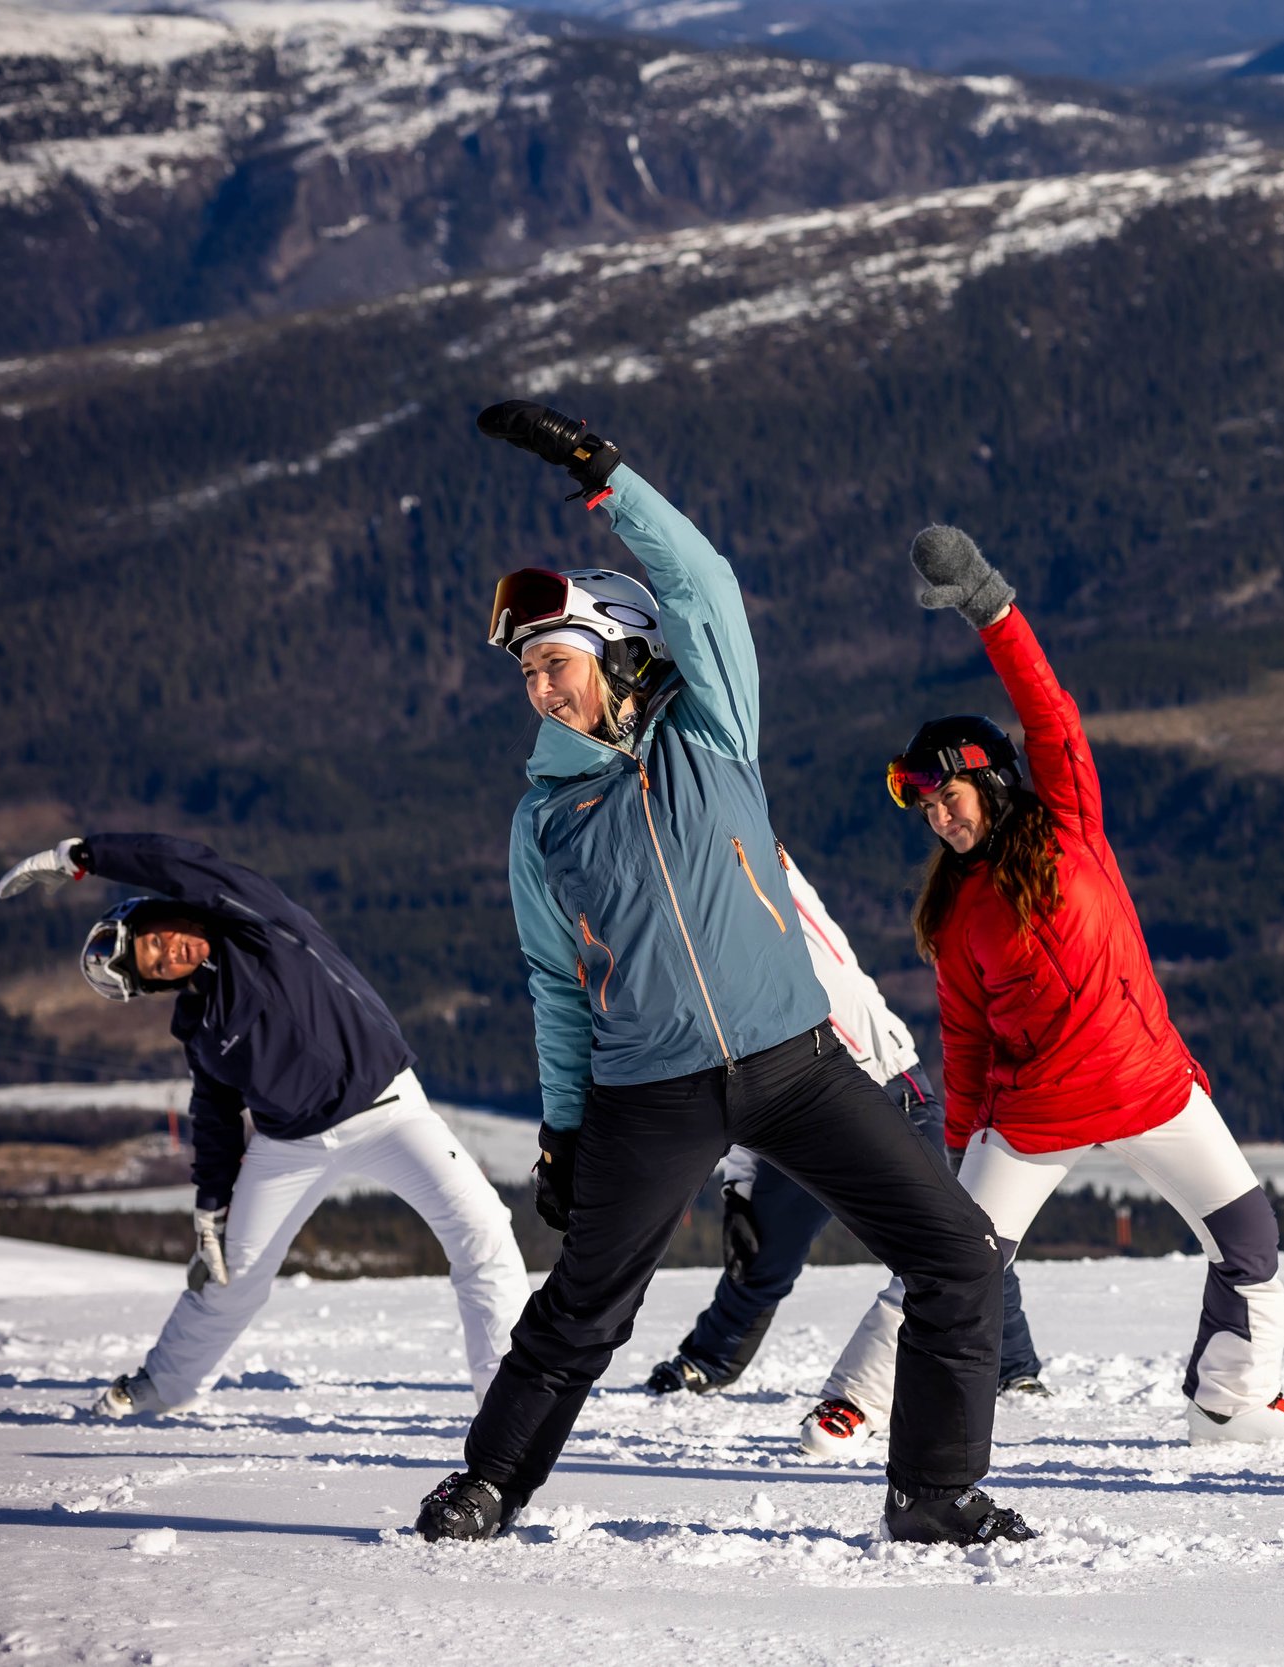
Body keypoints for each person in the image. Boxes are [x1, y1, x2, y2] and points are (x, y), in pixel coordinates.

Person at [415, 400, 1031, 1547]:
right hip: (651, 1093)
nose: (542, 689)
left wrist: (606, 478)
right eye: (528, 676)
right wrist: (560, 1128)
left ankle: (932, 1493)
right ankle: (487, 1483)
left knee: (957, 1256)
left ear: (616, 645)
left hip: (798, 1066)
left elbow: (704, 584)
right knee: (585, 1307)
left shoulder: (710, 732)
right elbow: (558, 984)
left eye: (557, 663)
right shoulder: (543, 819)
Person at [800, 524, 1284, 1458]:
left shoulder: (1069, 825)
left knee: (1248, 1237)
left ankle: (1228, 1401)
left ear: (990, 781)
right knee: (956, 1257)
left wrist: (988, 604)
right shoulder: (955, 912)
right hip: (1035, 1114)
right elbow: (964, 1038)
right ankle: (857, 1402)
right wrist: (961, 1151)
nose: (936, 815)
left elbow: (1050, 713)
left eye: (946, 795)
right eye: (922, 807)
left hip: (1152, 1085)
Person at [0, 834, 526, 1417]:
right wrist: (211, 1208)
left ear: (162, 913)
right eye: (155, 967)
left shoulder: (254, 923)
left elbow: (186, 865)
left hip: (387, 1112)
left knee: (482, 1232)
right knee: (226, 1275)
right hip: (290, 1146)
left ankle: (509, 1405)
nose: (169, 954)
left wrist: (85, 856)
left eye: (156, 940)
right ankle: (161, 1387)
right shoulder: (197, 1023)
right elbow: (215, 1115)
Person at [643, 850, 1045, 1400]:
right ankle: (708, 1362)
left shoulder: (774, 892)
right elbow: (728, 1069)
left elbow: (740, 825)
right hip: (789, 1112)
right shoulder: (699, 970)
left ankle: (1013, 1369)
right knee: (760, 1253)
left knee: (957, 1236)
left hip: (885, 1090)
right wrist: (739, 1186)